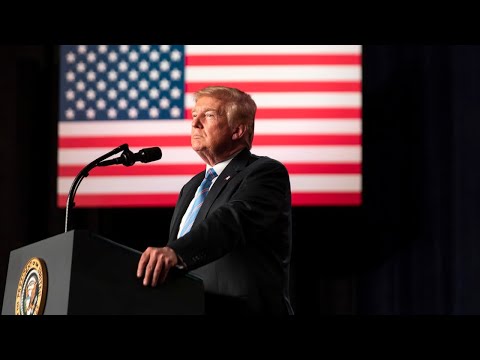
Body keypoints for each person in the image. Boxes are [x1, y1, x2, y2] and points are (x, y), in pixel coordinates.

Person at [136, 86, 294, 315]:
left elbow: (231, 221)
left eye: (208, 115)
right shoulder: (191, 187)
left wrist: (177, 252)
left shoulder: (265, 172)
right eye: (194, 116)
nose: (195, 123)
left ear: (237, 130)